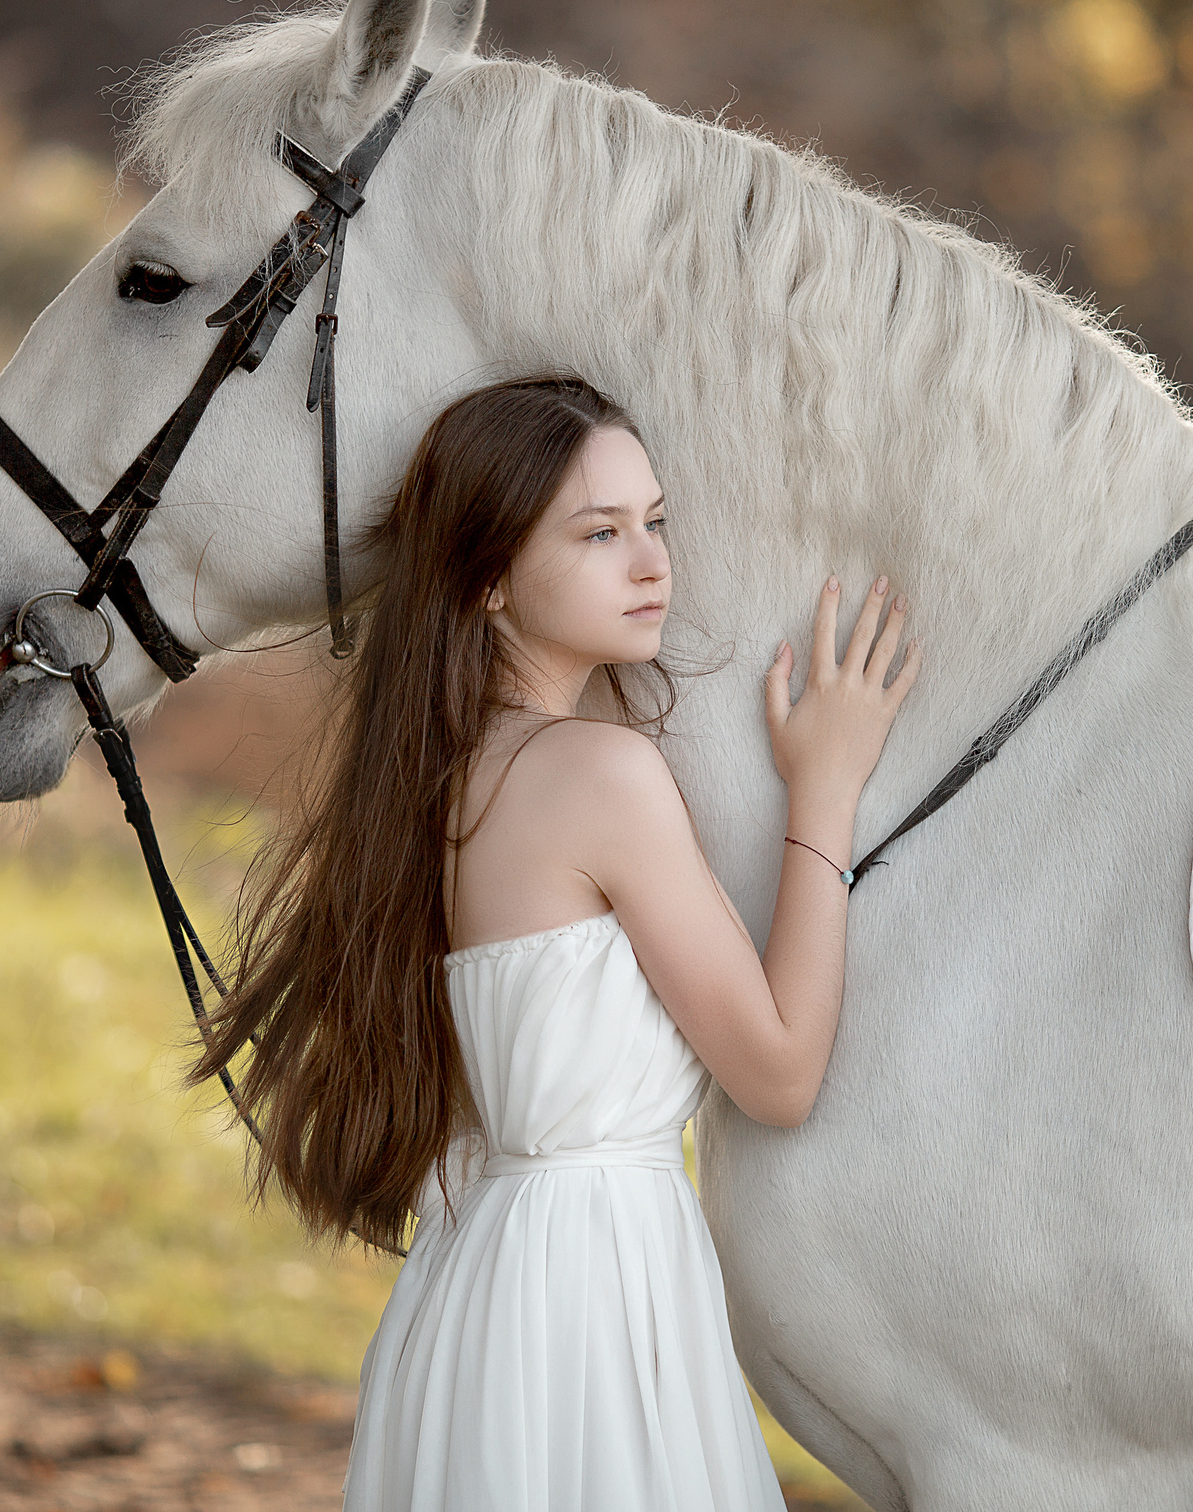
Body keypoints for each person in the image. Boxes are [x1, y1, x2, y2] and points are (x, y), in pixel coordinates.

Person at [197, 371, 919, 1509]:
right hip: (591, 1296)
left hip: (474, 1294)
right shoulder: (598, 774)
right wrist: (823, 789)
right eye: (598, 533)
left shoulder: (431, 782)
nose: (651, 564)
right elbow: (777, 1073)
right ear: (486, 579)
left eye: (655, 522)